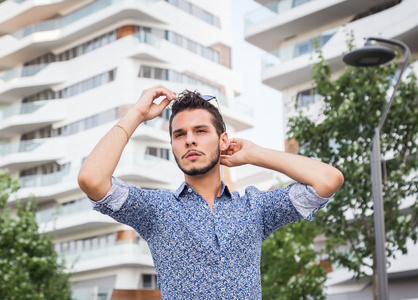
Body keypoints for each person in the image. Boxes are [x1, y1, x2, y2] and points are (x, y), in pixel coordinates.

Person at [78, 85, 344, 299]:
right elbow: (92, 179)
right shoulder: (156, 210)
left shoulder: (255, 207)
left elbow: (328, 180)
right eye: (179, 134)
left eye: (201, 131)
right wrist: (136, 113)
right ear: (173, 145)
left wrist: (254, 154)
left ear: (223, 140)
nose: (190, 139)